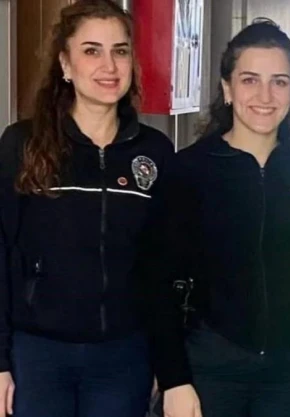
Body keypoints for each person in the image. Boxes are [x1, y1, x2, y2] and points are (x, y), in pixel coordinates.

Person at [147, 18, 290, 417]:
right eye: (250, 80)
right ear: (227, 88)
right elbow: (158, 282)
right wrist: (173, 380)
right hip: (213, 367)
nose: (265, 96)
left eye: (279, 81)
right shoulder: (189, 170)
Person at [0, 1, 175, 416]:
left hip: (124, 357)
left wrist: (165, 362)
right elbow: (2, 253)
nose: (109, 66)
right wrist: (0, 359)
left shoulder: (155, 152)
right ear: (65, 63)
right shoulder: (23, 144)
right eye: (91, 50)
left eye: (120, 50)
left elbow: (162, 269)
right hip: (38, 355)